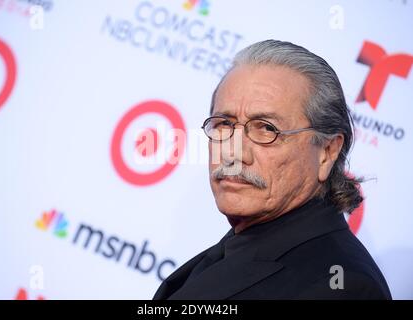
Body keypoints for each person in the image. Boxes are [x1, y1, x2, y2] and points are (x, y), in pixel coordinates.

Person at [153, 40, 391, 300]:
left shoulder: (343, 288)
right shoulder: (242, 242)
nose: (233, 152)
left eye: (266, 128)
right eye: (224, 124)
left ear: (327, 152)